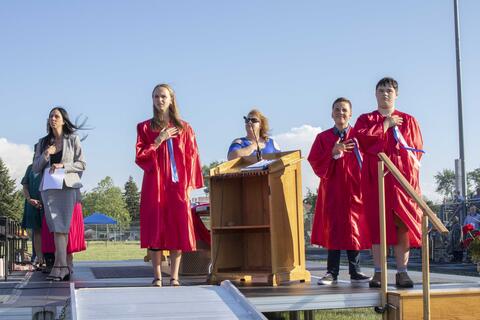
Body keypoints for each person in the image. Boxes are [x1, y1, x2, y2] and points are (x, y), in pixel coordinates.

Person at [354, 77, 424, 288]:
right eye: (381, 90)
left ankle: (402, 272)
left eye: (389, 90)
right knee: (378, 225)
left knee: (402, 225)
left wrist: (408, 180)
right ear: (375, 94)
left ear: (396, 94)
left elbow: (415, 152)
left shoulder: (409, 120)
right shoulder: (366, 119)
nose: (385, 94)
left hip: (401, 180)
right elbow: (362, 140)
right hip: (375, 178)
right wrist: (385, 124)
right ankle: (378, 272)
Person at [136, 84, 204, 287]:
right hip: (155, 182)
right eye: (156, 96)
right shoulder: (145, 128)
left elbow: (193, 158)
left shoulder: (185, 128)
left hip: (178, 185)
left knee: (178, 226)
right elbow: (140, 156)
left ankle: (174, 277)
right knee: (155, 226)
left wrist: (190, 186)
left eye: (163, 96)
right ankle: (157, 276)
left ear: (171, 99)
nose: (160, 100)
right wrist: (158, 140)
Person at [308, 97, 371, 285]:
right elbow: (315, 161)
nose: (340, 113)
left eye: (344, 110)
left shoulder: (359, 137)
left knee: (354, 229)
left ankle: (356, 270)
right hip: (333, 190)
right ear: (331, 114)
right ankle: (331, 272)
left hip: (354, 190)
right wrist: (332, 152)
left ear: (350, 113)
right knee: (333, 229)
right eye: (337, 109)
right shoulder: (323, 138)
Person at [33, 107, 86, 281]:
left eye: (56, 116)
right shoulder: (42, 143)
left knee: (61, 228)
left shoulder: (73, 139)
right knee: (57, 228)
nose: (52, 119)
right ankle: (61, 266)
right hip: (49, 189)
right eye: (50, 116)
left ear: (63, 120)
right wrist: (47, 154)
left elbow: (81, 164)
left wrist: (63, 166)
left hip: (68, 188)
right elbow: (35, 168)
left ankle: (60, 266)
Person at [21, 154, 44, 270]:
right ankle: (39, 259)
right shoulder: (29, 168)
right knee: (36, 231)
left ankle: (50, 259)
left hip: (46, 204)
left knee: (49, 231)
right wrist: (30, 199)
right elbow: (25, 187)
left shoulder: (47, 167)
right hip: (32, 204)